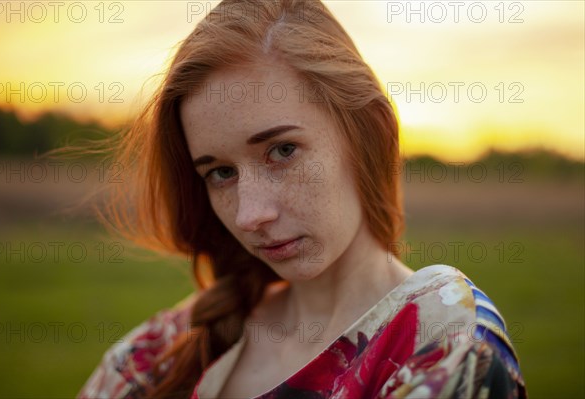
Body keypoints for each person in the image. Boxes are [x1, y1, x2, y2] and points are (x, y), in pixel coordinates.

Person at [78, 0, 527, 398]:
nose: (251, 215)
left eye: (282, 151)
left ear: (369, 133)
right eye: (221, 172)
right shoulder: (165, 350)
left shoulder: (441, 342)